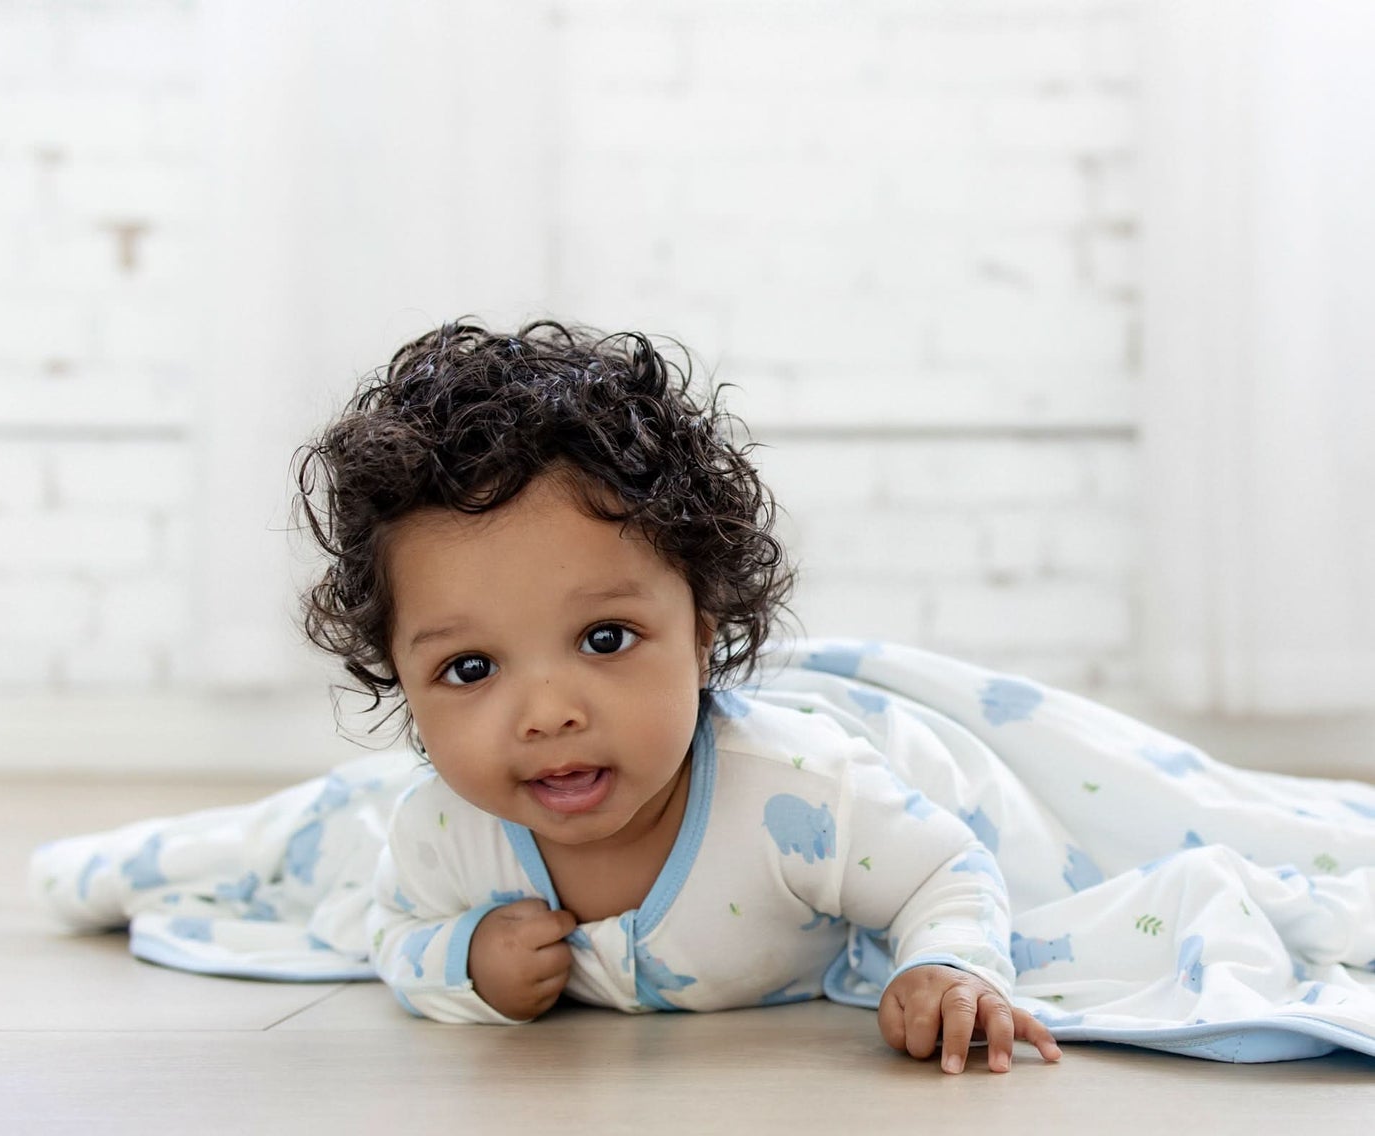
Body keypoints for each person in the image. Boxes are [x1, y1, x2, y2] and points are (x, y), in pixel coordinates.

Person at [293, 318, 1062, 1075]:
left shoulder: (798, 792)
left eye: (603, 638)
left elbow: (943, 869)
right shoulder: (442, 831)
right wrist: (465, 961)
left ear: (700, 634)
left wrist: (945, 965)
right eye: (469, 668)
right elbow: (394, 930)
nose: (547, 712)